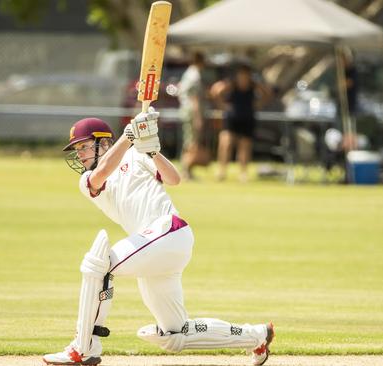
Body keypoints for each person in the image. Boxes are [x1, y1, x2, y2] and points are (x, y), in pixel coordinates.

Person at [43, 109, 274, 366]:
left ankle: (83, 347)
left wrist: (152, 150)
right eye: (78, 149)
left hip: (168, 231)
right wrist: (129, 136)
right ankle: (257, 336)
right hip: (154, 250)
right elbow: (102, 173)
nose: (80, 154)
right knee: (174, 334)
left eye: (84, 146)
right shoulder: (88, 180)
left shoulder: (136, 153)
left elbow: (174, 179)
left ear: (104, 142)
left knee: (98, 265)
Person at [211, 63, 272, 182]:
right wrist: (221, 105)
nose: (244, 77)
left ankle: (243, 173)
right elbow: (216, 91)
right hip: (232, 118)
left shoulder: (253, 85)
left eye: (246, 75)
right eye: (241, 74)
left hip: (247, 118)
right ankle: (222, 171)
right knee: (226, 143)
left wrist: (259, 104)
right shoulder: (231, 84)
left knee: (245, 146)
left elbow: (268, 93)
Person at [178, 51, 211, 180]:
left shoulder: (188, 73)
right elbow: (194, 98)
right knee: (191, 142)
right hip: (192, 111)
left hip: (186, 110)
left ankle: (187, 170)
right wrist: (198, 117)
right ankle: (186, 170)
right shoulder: (194, 75)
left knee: (189, 140)